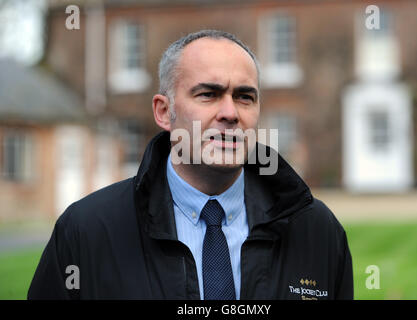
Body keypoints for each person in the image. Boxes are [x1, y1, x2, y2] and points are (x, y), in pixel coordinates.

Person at [28, 30, 353, 300]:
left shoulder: (316, 230)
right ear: (163, 111)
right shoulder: (88, 230)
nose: (230, 113)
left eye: (244, 97)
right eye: (208, 94)